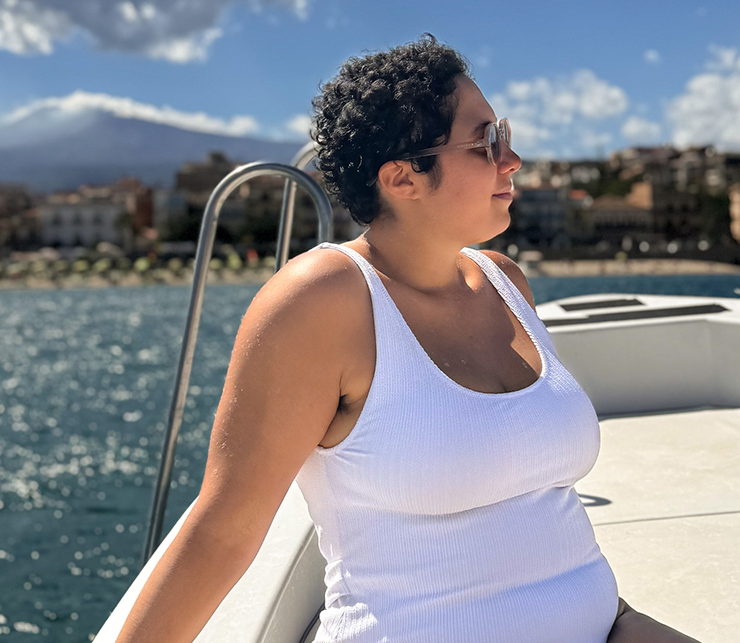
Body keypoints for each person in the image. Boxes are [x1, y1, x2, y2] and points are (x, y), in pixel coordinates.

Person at [115, 35, 699, 643]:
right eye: (486, 143)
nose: (513, 159)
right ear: (402, 178)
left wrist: (620, 620)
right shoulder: (320, 302)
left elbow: (539, 519)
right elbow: (224, 531)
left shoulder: (507, 284)